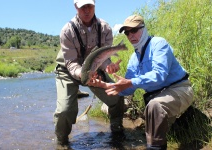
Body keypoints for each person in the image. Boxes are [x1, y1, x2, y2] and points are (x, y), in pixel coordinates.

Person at [88, 14, 194, 150]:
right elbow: (126, 89)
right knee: (155, 119)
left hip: (180, 89)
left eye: (134, 30)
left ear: (144, 28)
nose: (130, 35)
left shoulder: (158, 44)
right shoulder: (133, 58)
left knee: (154, 107)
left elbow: (159, 75)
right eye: (127, 32)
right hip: (160, 97)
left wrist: (131, 82)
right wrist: (104, 85)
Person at [53, 0, 124, 148]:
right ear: (75, 7)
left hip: (94, 69)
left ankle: (117, 133)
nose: (86, 10)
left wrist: (108, 67)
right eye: (82, 7)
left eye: (89, 6)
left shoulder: (105, 28)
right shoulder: (67, 30)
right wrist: (85, 75)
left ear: (94, 5)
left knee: (116, 97)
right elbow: (71, 63)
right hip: (68, 71)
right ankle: (62, 142)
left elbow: (104, 58)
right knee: (65, 111)